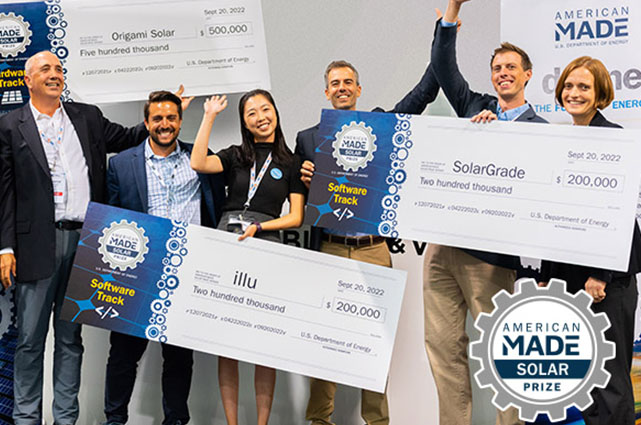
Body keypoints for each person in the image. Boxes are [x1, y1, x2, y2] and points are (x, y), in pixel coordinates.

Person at [0, 51, 191, 424]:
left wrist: (163, 111)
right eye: (45, 70)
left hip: (86, 244)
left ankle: (66, 419)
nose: (54, 74)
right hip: (35, 245)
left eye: (58, 69)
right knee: (30, 341)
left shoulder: (88, 117)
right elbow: (4, 195)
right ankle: (26, 418)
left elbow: (133, 135)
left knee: (70, 340)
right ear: (28, 79)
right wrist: (4, 246)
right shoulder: (7, 127)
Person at [295, 54, 441, 425]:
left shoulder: (378, 125)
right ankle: (318, 419)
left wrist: (445, 35)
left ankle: (377, 421)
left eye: (348, 83)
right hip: (329, 248)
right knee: (327, 338)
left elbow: (421, 96)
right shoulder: (308, 139)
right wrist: (306, 179)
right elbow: (299, 198)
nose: (342, 89)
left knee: (375, 340)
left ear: (358, 90)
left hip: (373, 249)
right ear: (326, 92)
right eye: (335, 84)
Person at [427, 1, 548, 424]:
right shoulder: (473, 106)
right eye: (497, 68)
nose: (503, 73)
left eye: (512, 67)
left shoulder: (540, 131)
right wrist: (453, 8)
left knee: (503, 350)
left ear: (527, 75)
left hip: (493, 258)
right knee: (443, 349)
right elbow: (443, 65)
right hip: (443, 249)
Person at [102, 90, 224, 425]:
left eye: (171, 118)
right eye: (158, 118)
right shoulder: (121, 163)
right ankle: (114, 420)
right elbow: (110, 220)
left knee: (179, 355)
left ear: (180, 122)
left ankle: (175, 420)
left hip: (187, 268)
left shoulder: (200, 158)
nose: (165, 124)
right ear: (146, 123)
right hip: (137, 270)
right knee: (124, 353)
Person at [190, 89, 306, 425]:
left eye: (265, 109)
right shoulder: (236, 155)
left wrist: (262, 225)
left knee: (262, 341)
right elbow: (199, 162)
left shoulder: (292, 162)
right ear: (244, 122)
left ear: (276, 112)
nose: (260, 117)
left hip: (266, 244)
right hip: (228, 243)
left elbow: (296, 216)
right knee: (227, 340)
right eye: (251, 112)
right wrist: (209, 115)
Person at [539, 56, 641, 425]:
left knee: (611, 382)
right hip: (570, 278)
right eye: (568, 85)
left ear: (600, 94)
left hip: (606, 281)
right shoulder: (560, 139)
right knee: (585, 381)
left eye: (583, 86)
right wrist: (546, 274)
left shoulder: (614, 138)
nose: (574, 93)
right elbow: (555, 213)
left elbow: (616, 209)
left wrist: (600, 274)